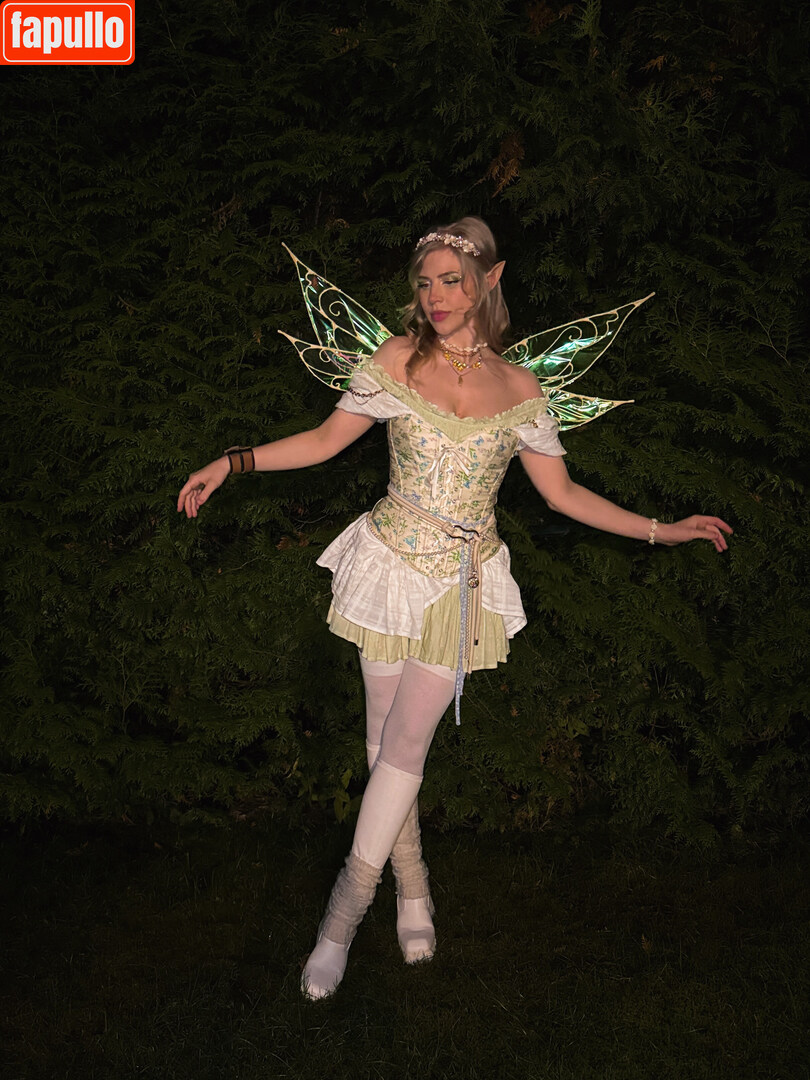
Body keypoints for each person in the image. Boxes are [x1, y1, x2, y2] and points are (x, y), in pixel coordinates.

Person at [177, 216, 731, 1001]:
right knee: (383, 748)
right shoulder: (395, 361)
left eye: (451, 280)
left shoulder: (523, 389)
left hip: (460, 586)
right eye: (425, 281)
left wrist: (660, 529)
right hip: (388, 565)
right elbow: (325, 441)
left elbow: (563, 494)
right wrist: (232, 462)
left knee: (405, 745)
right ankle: (413, 887)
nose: (436, 296)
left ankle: (338, 925)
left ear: (489, 280)